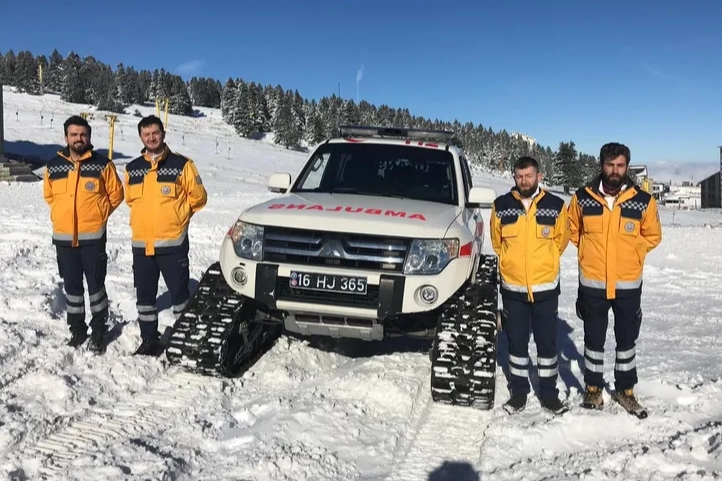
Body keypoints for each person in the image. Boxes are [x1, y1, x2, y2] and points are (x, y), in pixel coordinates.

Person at [567, 142, 662, 416]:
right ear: (601, 165)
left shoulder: (643, 200)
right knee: (593, 340)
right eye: (610, 165)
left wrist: (633, 252)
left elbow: (653, 235)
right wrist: (589, 251)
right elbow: (572, 230)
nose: (615, 170)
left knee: (626, 341)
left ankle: (625, 389)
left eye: (620, 165)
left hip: (628, 285)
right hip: (593, 284)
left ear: (627, 167)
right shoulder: (582, 198)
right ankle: (593, 389)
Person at [490, 156, 571, 415]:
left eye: (528, 175)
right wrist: (512, 264)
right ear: (514, 177)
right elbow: (497, 243)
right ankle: (519, 393)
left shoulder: (556, 205)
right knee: (516, 345)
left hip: (545, 290)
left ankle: (549, 394)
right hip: (513, 291)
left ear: (539, 176)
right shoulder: (501, 206)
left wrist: (544, 262)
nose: (524, 181)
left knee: (547, 344)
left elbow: (561, 241)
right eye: (519, 176)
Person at [124, 115, 207, 356]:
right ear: (141, 137)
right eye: (146, 134)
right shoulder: (132, 168)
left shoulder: (182, 164)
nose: (151, 138)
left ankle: (185, 340)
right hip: (142, 247)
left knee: (180, 297)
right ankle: (149, 340)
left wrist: (179, 217)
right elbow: (130, 200)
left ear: (163, 134)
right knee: (145, 298)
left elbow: (199, 198)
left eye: (155, 133)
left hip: (173, 246)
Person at [42, 115, 124, 352]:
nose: (78, 138)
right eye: (74, 134)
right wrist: (62, 214)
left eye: (83, 134)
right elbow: (49, 196)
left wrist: (99, 214)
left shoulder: (103, 164)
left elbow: (116, 195)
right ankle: (77, 330)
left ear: (89, 137)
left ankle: (99, 330)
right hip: (64, 240)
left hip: (93, 239)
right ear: (66, 136)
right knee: (72, 288)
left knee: (96, 286)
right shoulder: (53, 166)